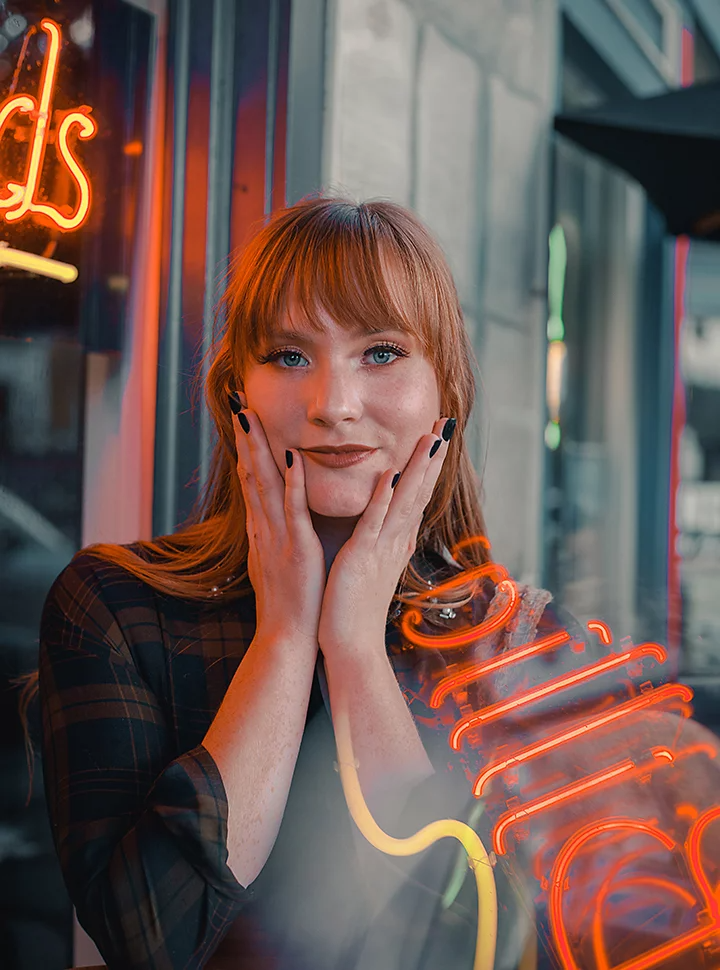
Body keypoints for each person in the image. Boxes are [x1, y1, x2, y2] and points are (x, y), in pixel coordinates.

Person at [14, 195, 720, 970]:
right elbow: (156, 941)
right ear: (235, 394)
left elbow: (473, 940)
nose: (333, 406)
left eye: (380, 352)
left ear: (444, 392)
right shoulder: (117, 607)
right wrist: (286, 638)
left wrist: (353, 646)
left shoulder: (518, 642)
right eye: (289, 356)